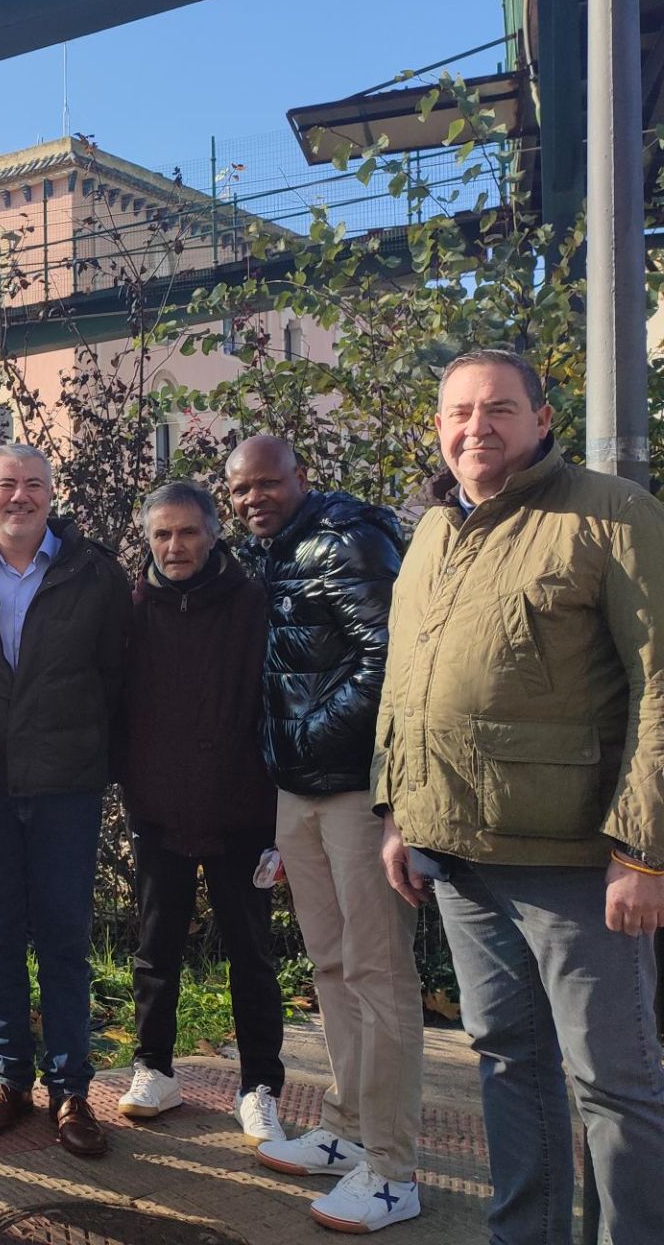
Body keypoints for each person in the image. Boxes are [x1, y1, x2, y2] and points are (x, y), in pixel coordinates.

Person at [375, 349, 664, 1243]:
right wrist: (398, 813)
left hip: (579, 864)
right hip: (459, 860)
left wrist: (644, 852)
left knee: (613, 1084)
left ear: (543, 419)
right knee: (507, 1061)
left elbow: (661, 682)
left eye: (499, 408)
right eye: (459, 412)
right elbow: (406, 681)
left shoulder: (612, 514)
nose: (477, 427)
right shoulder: (430, 531)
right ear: (438, 428)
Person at [226, 434, 422, 1233]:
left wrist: (307, 741)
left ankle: (393, 1170)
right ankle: (343, 1130)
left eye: (267, 483)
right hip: (297, 793)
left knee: (379, 976)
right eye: (240, 490)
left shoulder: (348, 538)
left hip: (352, 791)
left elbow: (389, 657)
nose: (253, 499)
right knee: (333, 967)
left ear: (301, 478)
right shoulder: (275, 551)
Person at [0, 443, 130, 1157]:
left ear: (53, 493)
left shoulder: (93, 573)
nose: (20, 496)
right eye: (6, 484)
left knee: (64, 940)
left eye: (34, 484)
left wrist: (87, 753)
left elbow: (115, 674)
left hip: (64, 786)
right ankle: (8, 1079)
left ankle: (71, 1089)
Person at [112, 481, 286, 1143]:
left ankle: (260, 1085)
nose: (174, 546)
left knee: (251, 955)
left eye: (186, 532)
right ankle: (154, 1068)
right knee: (155, 950)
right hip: (158, 810)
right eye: (161, 534)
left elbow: (274, 702)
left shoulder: (252, 604)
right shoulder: (132, 609)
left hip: (242, 812)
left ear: (214, 533)